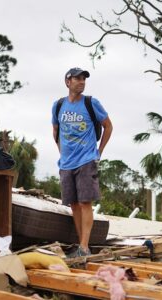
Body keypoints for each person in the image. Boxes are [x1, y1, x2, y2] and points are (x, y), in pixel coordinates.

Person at [51, 67, 113, 257]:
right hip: (66, 163)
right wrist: (62, 153)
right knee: (74, 205)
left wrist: (98, 152)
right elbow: (56, 130)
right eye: (77, 78)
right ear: (67, 82)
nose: (81, 82)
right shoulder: (59, 105)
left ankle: (84, 247)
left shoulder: (91, 103)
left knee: (85, 203)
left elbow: (108, 126)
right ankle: (81, 245)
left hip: (86, 160)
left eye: (83, 79)